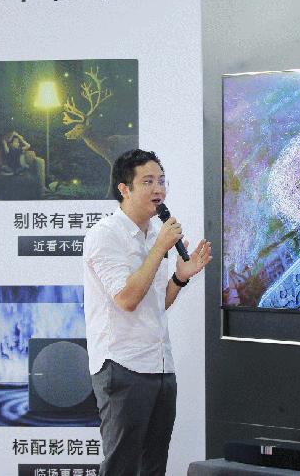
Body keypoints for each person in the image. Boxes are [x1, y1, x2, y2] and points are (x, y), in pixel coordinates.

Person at [83, 149, 212, 476]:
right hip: (122, 365)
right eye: (148, 182)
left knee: (153, 467)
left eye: (162, 181)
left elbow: (154, 303)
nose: (159, 189)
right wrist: (158, 249)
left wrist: (180, 277)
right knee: (122, 467)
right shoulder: (105, 235)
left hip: (160, 365)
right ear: (124, 189)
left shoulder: (155, 234)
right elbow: (127, 299)